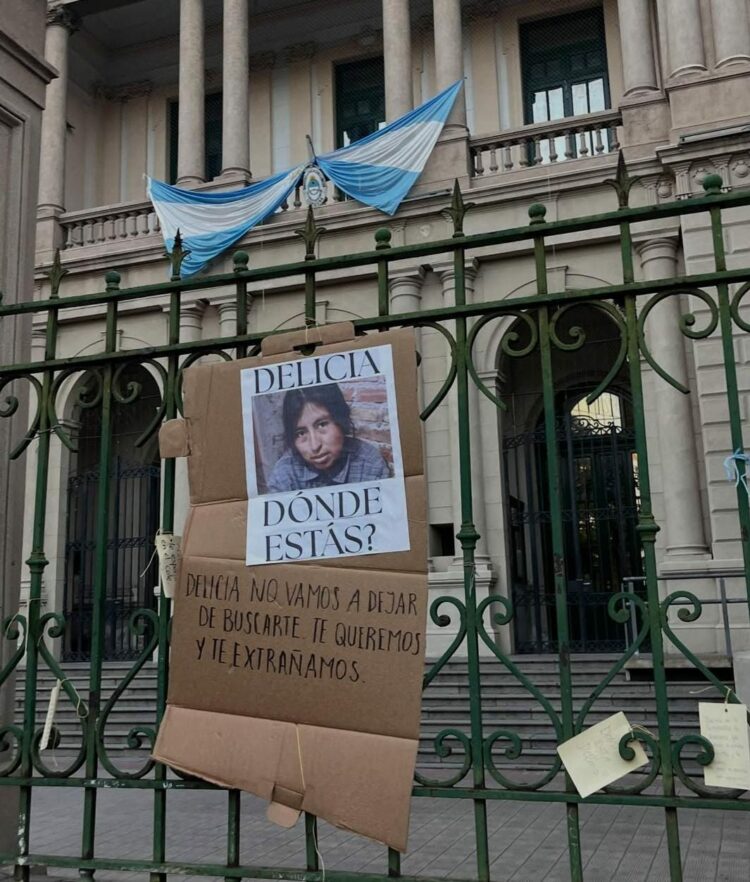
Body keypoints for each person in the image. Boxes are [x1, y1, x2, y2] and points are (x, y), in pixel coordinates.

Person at [266, 383, 392, 492]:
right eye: (301, 433)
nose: (315, 446)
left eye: (322, 424)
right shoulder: (284, 474)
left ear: (340, 420)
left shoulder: (370, 464)